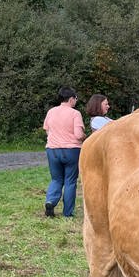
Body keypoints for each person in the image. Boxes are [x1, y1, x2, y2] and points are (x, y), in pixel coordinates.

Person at [43, 86, 85, 218]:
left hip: (52, 149)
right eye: (76, 98)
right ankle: (67, 213)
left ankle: (50, 201)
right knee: (70, 181)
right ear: (71, 99)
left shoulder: (51, 112)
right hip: (71, 151)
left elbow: (47, 129)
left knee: (56, 179)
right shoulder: (75, 113)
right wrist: (84, 136)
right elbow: (78, 135)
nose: (76, 101)